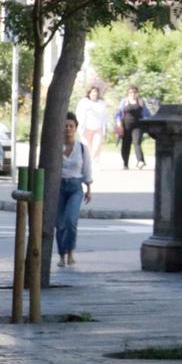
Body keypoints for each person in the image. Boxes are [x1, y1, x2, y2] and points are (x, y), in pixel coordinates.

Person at [56, 112, 93, 268]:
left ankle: (70, 252)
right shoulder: (56, 147)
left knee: (71, 221)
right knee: (59, 223)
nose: (68, 129)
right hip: (58, 187)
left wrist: (89, 188)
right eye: (65, 126)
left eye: (71, 126)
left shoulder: (82, 148)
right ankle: (61, 255)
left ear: (76, 128)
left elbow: (87, 169)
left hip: (75, 188)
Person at [115, 85, 151, 170]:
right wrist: (119, 123)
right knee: (125, 144)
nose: (133, 94)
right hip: (126, 126)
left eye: (134, 92)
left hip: (138, 125)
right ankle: (125, 164)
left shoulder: (141, 102)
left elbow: (147, 114)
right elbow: (118, 113)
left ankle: (140, 161)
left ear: (137, 93)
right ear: (128, 93)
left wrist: (148, 121)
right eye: (131, 92)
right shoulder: (124, 101)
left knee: (137, 142)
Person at [74, 86, 109, 162]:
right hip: (86, 128)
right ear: (89, 93)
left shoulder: (101, 103)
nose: (95, 94)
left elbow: (105, 116)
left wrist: (105, 126)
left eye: (96, 92)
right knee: (87, 147)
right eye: (93, 92)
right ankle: (88, 162)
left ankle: (94, 160)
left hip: (98, 128)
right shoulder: (83, 102)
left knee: (97, 146)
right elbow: (78, 113)